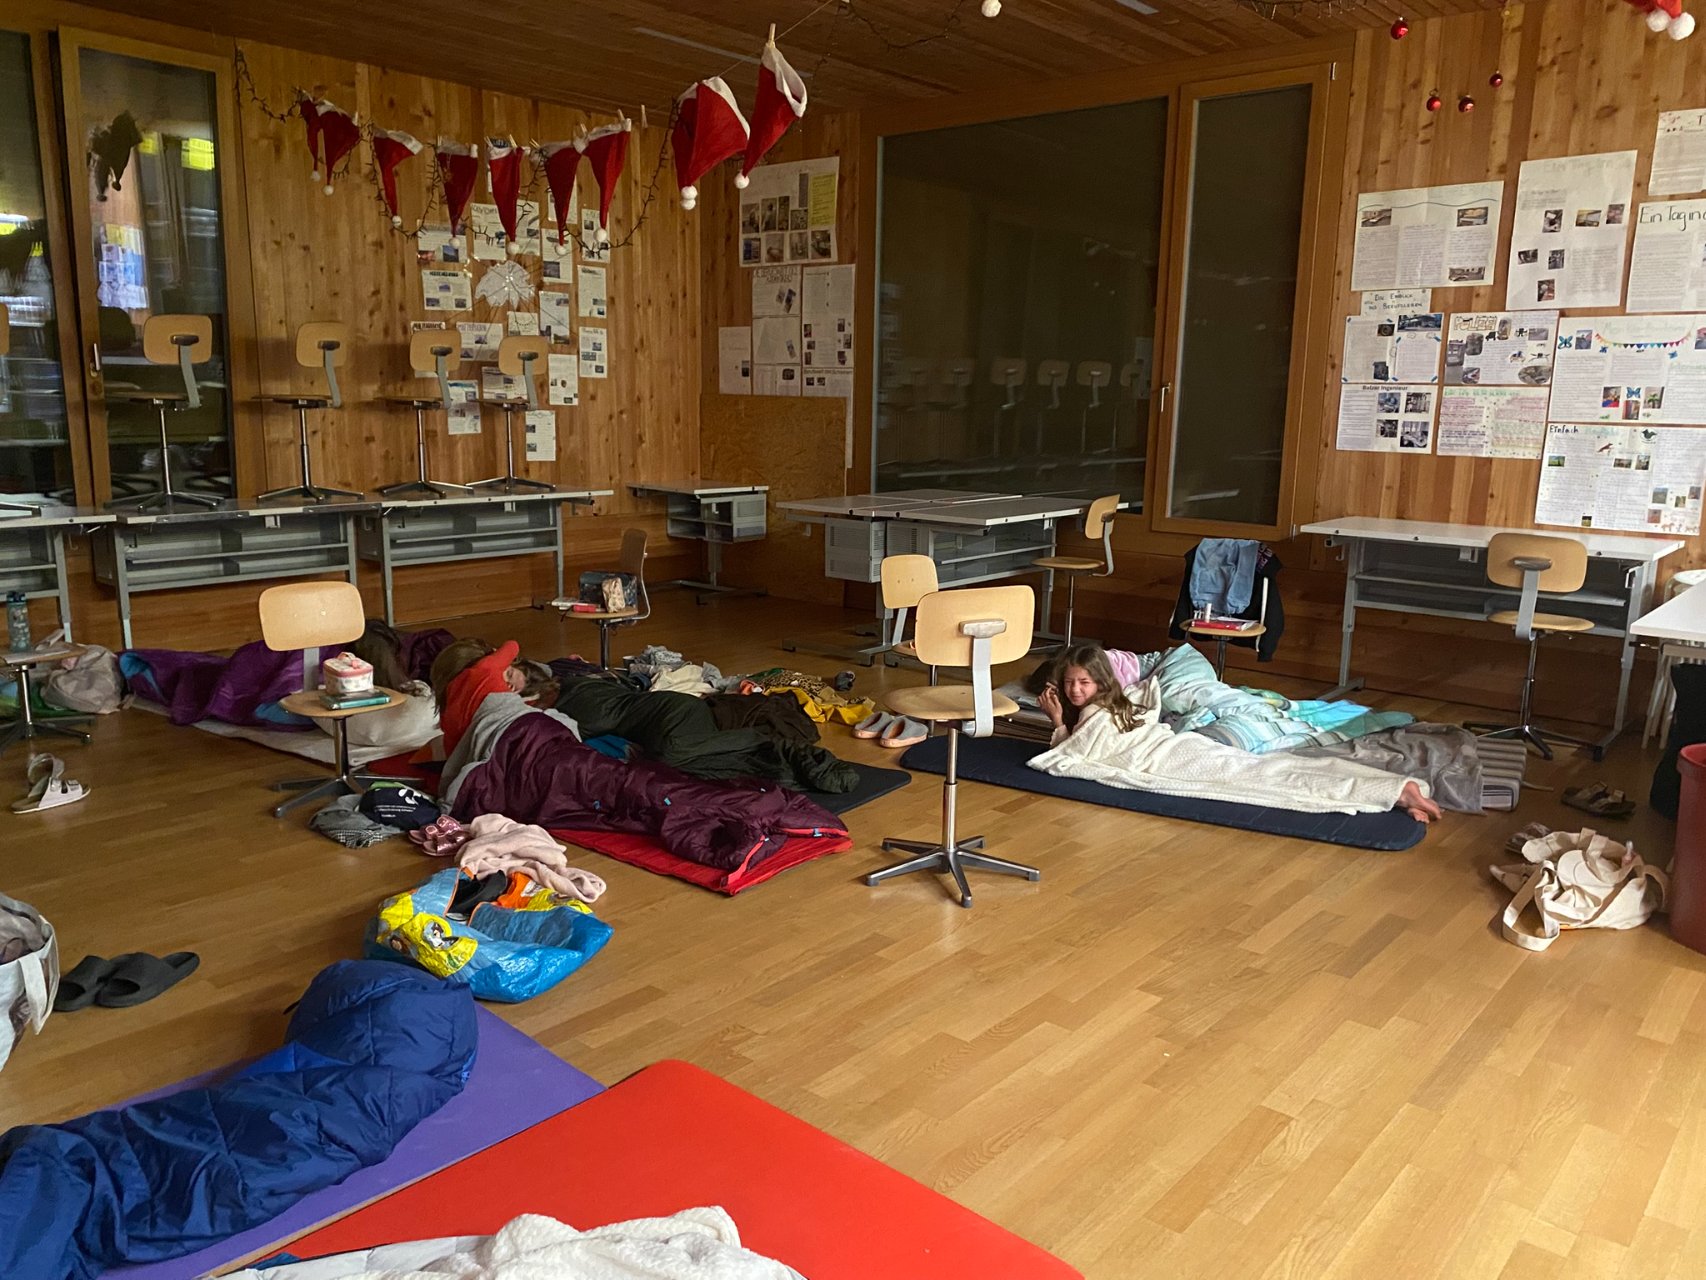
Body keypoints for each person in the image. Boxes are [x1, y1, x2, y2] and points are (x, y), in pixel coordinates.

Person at [1032, 644, 1441, 823]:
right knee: (1276, 774)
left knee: (1273, 780)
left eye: (1083, 683)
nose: (1075, 691)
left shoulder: (1104, 709)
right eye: (1070, 684)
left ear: (1102, 681)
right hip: (1183, 749)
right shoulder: (1113, 704)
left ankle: (1392, 792)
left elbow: (1077, 758)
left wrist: (1058, 722)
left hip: (1174, 756)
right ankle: (1392, 790)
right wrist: (1065, 719)